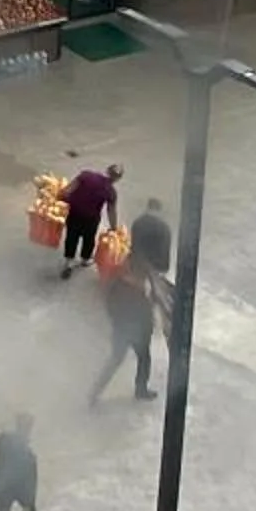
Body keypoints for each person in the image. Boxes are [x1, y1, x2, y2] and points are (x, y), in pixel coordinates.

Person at [90, 261, 159, 403]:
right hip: (135, 332)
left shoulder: (118, 286)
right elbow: (145, 314)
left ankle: (95, 392)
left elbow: (110, 307)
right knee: (142, 359)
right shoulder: (136, 294)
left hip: (121, 330)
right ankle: (140, 390)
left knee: (117, 360)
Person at [58, 161, 123, 279]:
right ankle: (85, 259)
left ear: (107, 170)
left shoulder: (86, 175)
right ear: (117, 179)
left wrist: (61, 196)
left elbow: (68, 190)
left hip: (75, 213)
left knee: (72, 236)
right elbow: (111, 211)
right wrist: (113, 227)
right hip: (91, 219)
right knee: (89, 239)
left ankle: (69, 262)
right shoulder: (111, 192)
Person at [129, 197, 176, 304]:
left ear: (148, 207)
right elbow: (166, 249)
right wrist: (163, 268)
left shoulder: (138, 222)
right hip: (159, 265)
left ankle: (140, 302)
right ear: (159, 210)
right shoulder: (165, 227)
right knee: (157, 288)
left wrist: (134, 263)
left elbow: (135, 246)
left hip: (140, 263)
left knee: (139, 286)